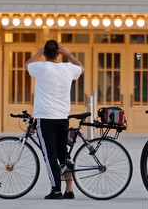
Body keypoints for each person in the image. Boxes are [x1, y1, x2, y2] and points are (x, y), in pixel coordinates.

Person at [26, 39, 84, 200]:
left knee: (49, 154)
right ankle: (69, 190)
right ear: (59, 53)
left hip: (45, 118)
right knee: (62, 154)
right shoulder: (68, 68)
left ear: (45, 53)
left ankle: (56, 190)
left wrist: (38, 53)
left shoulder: (41, 67)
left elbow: (27, 65)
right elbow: (82, 68)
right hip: (62, 117)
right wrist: (69, 55)